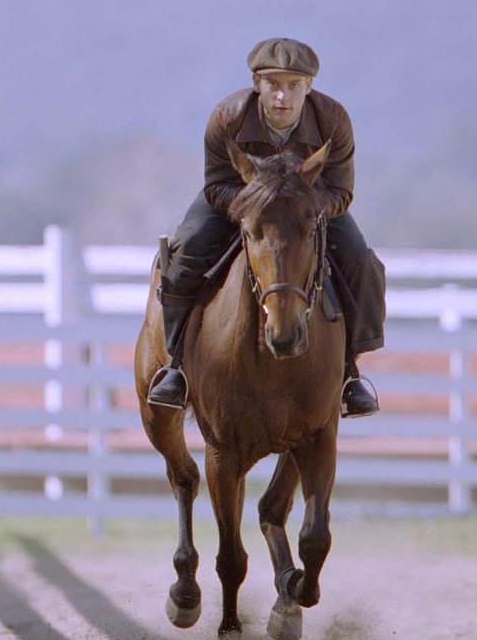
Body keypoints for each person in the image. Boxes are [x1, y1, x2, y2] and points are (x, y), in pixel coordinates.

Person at [147, 37, 385, 417]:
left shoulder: (334, 121)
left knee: (360, 260)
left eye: (294, 86)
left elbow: (341, 191)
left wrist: (304, 209)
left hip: (308, 208)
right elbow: (215, 185)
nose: (282, 97)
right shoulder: (227, 117)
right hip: (239, 202)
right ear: (257, 83)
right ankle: (174, 366)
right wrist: (253, 207)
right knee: (186, 248)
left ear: (309, 87)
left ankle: (351, 374)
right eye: (274, 85)